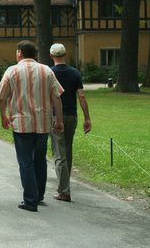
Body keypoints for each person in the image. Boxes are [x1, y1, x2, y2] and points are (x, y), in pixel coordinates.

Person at [0, 40, 64, 212]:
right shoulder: (46, 70)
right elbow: (56, 96)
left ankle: (30, 200)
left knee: (25, 161)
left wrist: (3, 116)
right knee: (40, 159)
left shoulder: (12, 71)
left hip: (21, 123)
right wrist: (60, 120)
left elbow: (2, 97)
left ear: (19, 52)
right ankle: (39, 194)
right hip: (43, 123)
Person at [48, 43, 92, 202]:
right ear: (65, 55)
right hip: (72, 116)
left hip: (55, 116)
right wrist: (87, 118)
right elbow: (81, 96)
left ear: (51, 56)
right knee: (67, 149)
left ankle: (63, 191)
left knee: (58, 152)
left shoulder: (49, 73)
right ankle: (65, 183)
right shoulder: (75, 73)